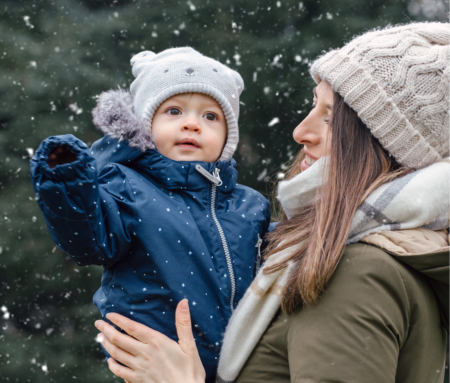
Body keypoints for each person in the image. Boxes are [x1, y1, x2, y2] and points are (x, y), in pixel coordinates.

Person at [94, 22, 450, 383]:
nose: (301, 131)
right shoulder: (394, 255)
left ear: (384, 146)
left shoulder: (355, 273)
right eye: (313, 105)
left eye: (329, 118)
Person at [30, 47, 271, 381]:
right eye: (174, 110)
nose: (192, 124)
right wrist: (67, 177)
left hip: (244, 368)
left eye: (210, 116)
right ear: (145, 125)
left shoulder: (251, 205)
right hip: (153, 366)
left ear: (229, 137)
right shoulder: (128, 188)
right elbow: (86, 239)